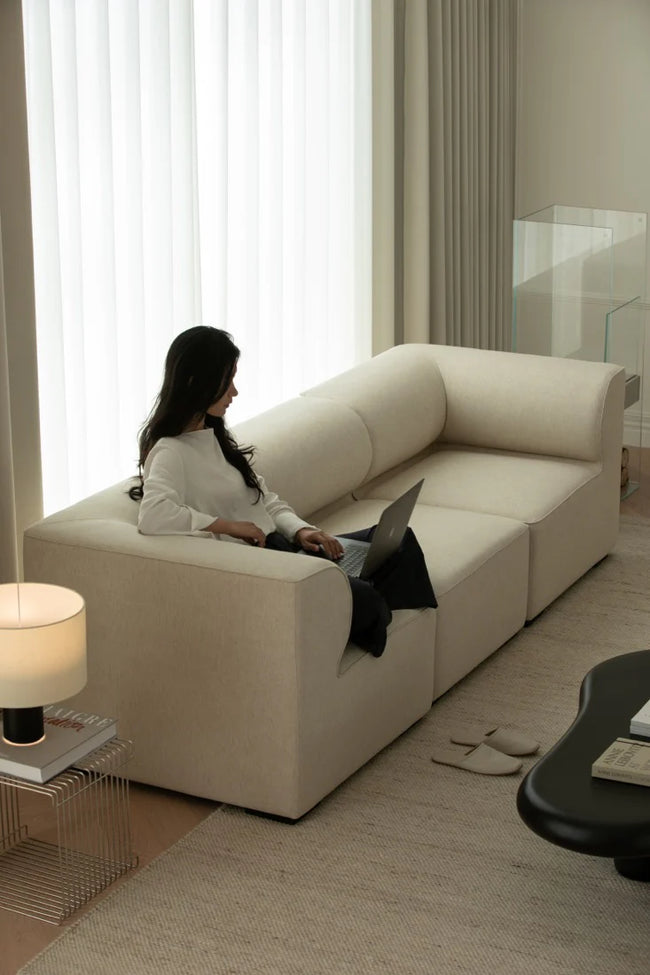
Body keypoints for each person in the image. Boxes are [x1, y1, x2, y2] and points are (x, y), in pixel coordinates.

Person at [129, 326, 435, 655]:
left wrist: (302, 529)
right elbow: (154, 515)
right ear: (197, 381)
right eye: (227, 381)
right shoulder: (169, 451)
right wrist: (227, 525)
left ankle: (347, 595)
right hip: (271, 570)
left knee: (400, 541)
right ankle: (353, 596)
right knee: (367, 600)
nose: (234, 392)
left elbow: (266, 501)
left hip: (287, 547)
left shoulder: (213, 433)